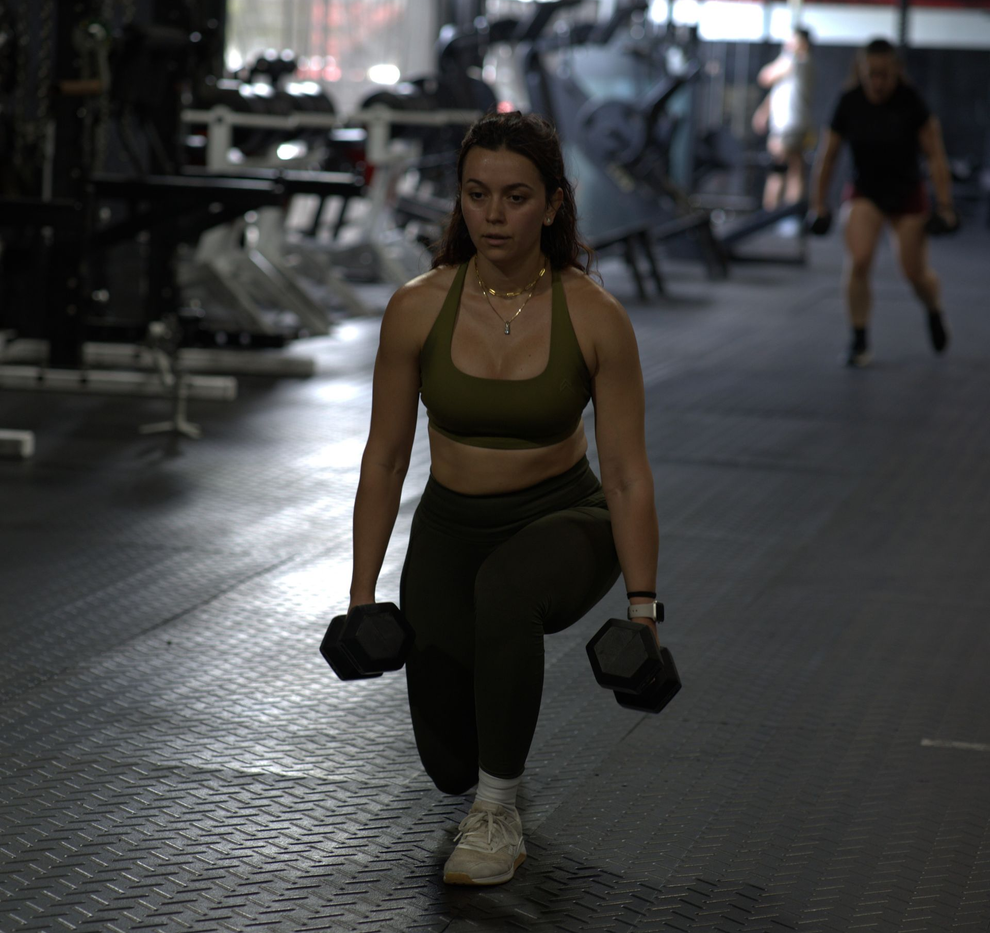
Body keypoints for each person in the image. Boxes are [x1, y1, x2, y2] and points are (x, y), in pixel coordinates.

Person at [346, 111, 660, 886]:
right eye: (476, 194)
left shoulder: (594, 317)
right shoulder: (418, 306)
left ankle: (497, 810)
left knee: (508, 589)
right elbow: (385, 459)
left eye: (515, 196)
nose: (493, 214)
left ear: (553, 203)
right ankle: (474, 784)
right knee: (447, 761)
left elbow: (625, 474)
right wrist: (360, 599)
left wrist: (645, 612)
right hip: (453, 525)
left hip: (565, 518)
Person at [810, 38, 956, 367]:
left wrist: (945, 206)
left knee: (914, 273)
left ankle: (933, 309)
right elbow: (827, 157)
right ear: (860, 71)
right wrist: (817, 204)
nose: (877, 82)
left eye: (884, 75)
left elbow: (935, 158)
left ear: (897, 73)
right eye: (871, 75)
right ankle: (859, 340)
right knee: (859, 261)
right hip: (865, 192)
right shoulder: (849, 102)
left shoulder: (912, 102)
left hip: (907, 193)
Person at [751, 27, 815, 215]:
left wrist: (786, 53)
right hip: (795, 126)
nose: (788, 43)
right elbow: (778, 90)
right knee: (795, 168)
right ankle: (789, 216)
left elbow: (765, 77)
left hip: (787, 127)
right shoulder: (797, 63)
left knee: (778, 169)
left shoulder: (794, 60)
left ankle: (771, 214)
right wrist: (763, 112)